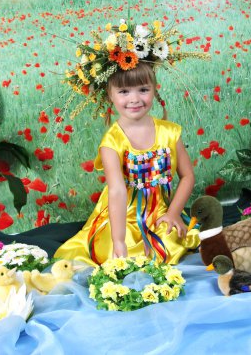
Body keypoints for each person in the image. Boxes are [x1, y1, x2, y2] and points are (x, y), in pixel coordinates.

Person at [54, 19, 204, 267]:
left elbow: (187, 177)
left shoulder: (169, 132)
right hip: (122, 213)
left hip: (159, 212)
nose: (135, 99)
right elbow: (116, 190)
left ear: (154, 89)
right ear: (109, 95)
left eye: (143, 90)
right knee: (115, 250)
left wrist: (173, 213)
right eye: (124, 92)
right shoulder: (112, 141)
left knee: (169, 241)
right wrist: (119, 240)